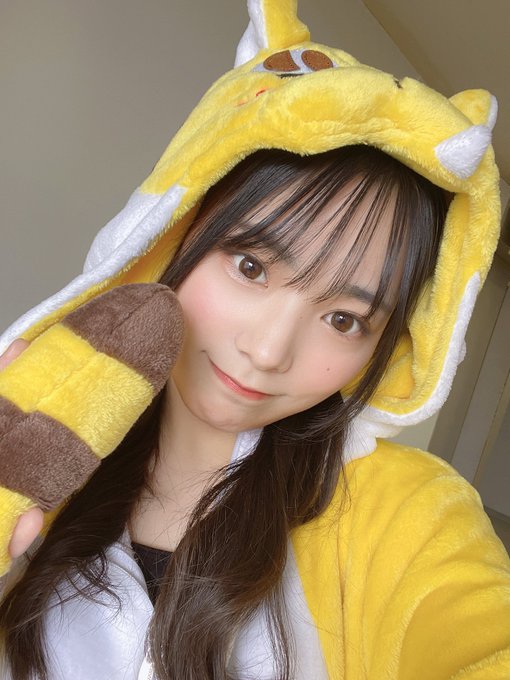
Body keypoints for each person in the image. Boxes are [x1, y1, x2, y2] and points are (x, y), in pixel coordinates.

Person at [0, 2, 509, 679]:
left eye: (344, 319)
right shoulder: (37, 438)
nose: (269, 352)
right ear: (176, 232)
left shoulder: (409, 516)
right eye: (250, 267)